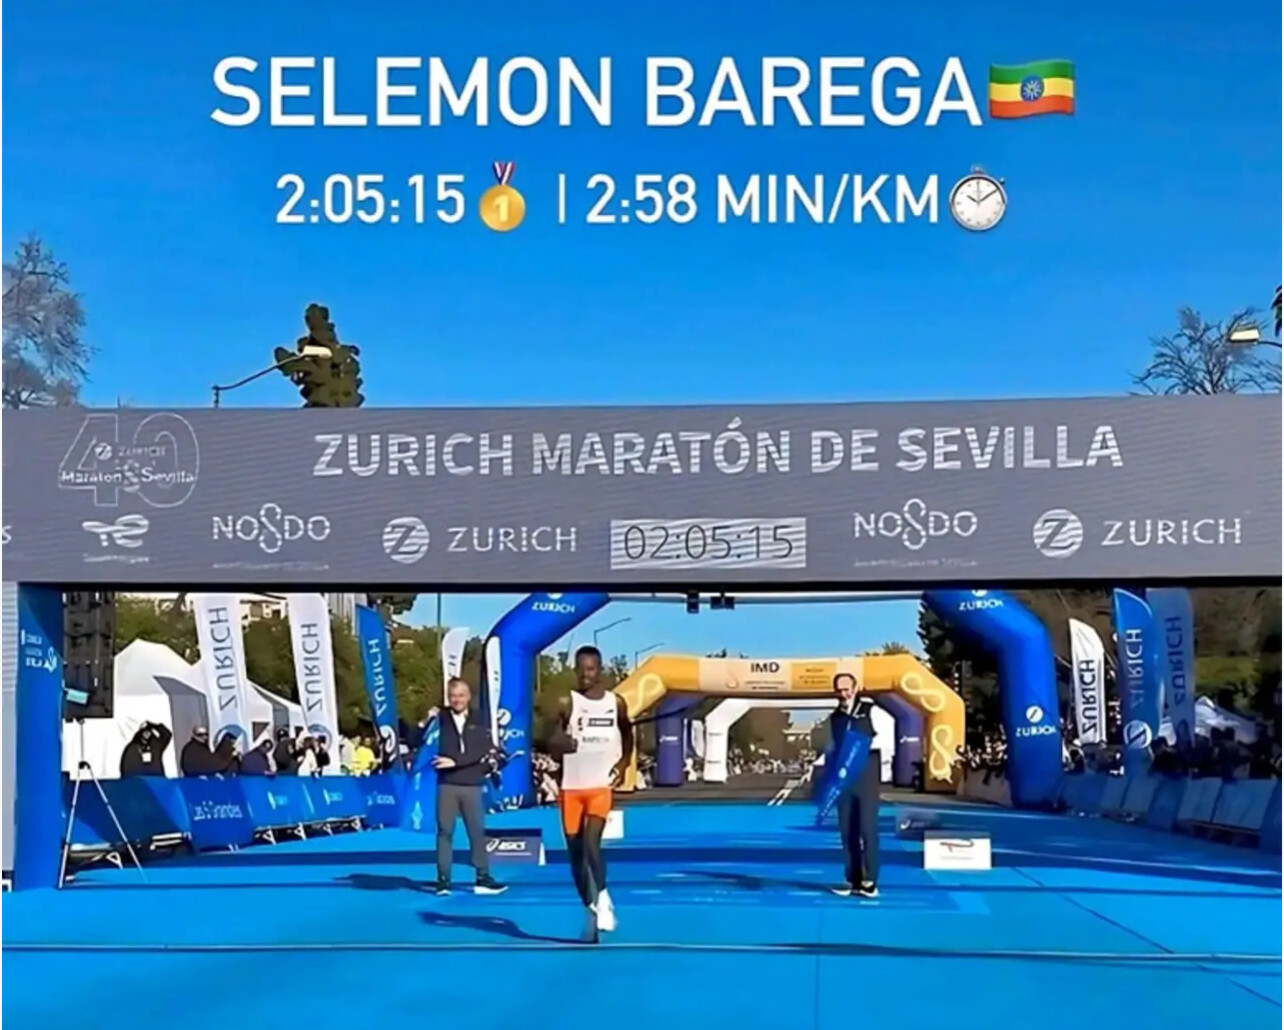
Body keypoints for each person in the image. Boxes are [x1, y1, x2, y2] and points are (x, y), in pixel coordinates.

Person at [548, 645, 634, 942]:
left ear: (600, 670)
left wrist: (623, 763)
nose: (586, 675)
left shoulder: (615, 703)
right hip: (571, 787)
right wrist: (562, 745)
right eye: (581, 669)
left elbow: (628, 733)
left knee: (591, 842)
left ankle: (605, 899)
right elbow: (549, 742)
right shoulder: (567, 702)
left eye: (591, 669)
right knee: (575, 856)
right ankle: (590, 910)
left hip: (599, 785)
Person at [432, 678, 507, 896]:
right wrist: (423, 723)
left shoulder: (479, 718)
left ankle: (482, 878)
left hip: (472, 784)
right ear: (448, 697)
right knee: (444, 832)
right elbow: (422, 742)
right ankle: (443, 881)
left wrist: (455, 762)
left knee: (476, 832)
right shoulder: (440, 718)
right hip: (447, 784)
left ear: (468, 697)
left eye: (461, 695)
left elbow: (480, 750)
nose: (457, 700)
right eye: (453, 696)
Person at [828, 672, 881, 898]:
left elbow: (881, 740)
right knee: (847, 829)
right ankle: (854, 880)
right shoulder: (835, 717)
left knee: (867, 828)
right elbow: (834, 746)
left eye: (847, 688)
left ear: (855, 687)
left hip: (867, 775)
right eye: (839, 690)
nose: (843, 693)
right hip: (844, 778)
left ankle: (871, 881)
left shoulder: (870, 710)